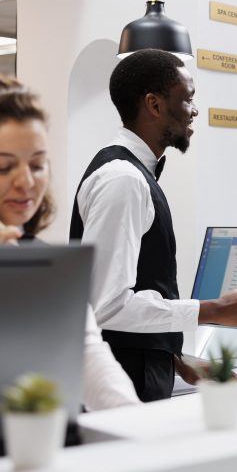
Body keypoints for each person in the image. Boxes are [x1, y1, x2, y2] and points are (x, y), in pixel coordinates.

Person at [70, 49, 237, 402]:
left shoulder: (132, 174)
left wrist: (179, 362)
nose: (194, 111)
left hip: (143, 368)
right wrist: (215, 310)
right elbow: (108, 306)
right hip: (123, 384)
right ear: (154, 104)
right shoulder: (124, 179)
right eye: (188, 99)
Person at [0, 75, 140, 411]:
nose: (26, 181)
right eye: (5, 166)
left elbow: (93, 365)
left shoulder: (44, 263)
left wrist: (141, 433)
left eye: (37, 165)